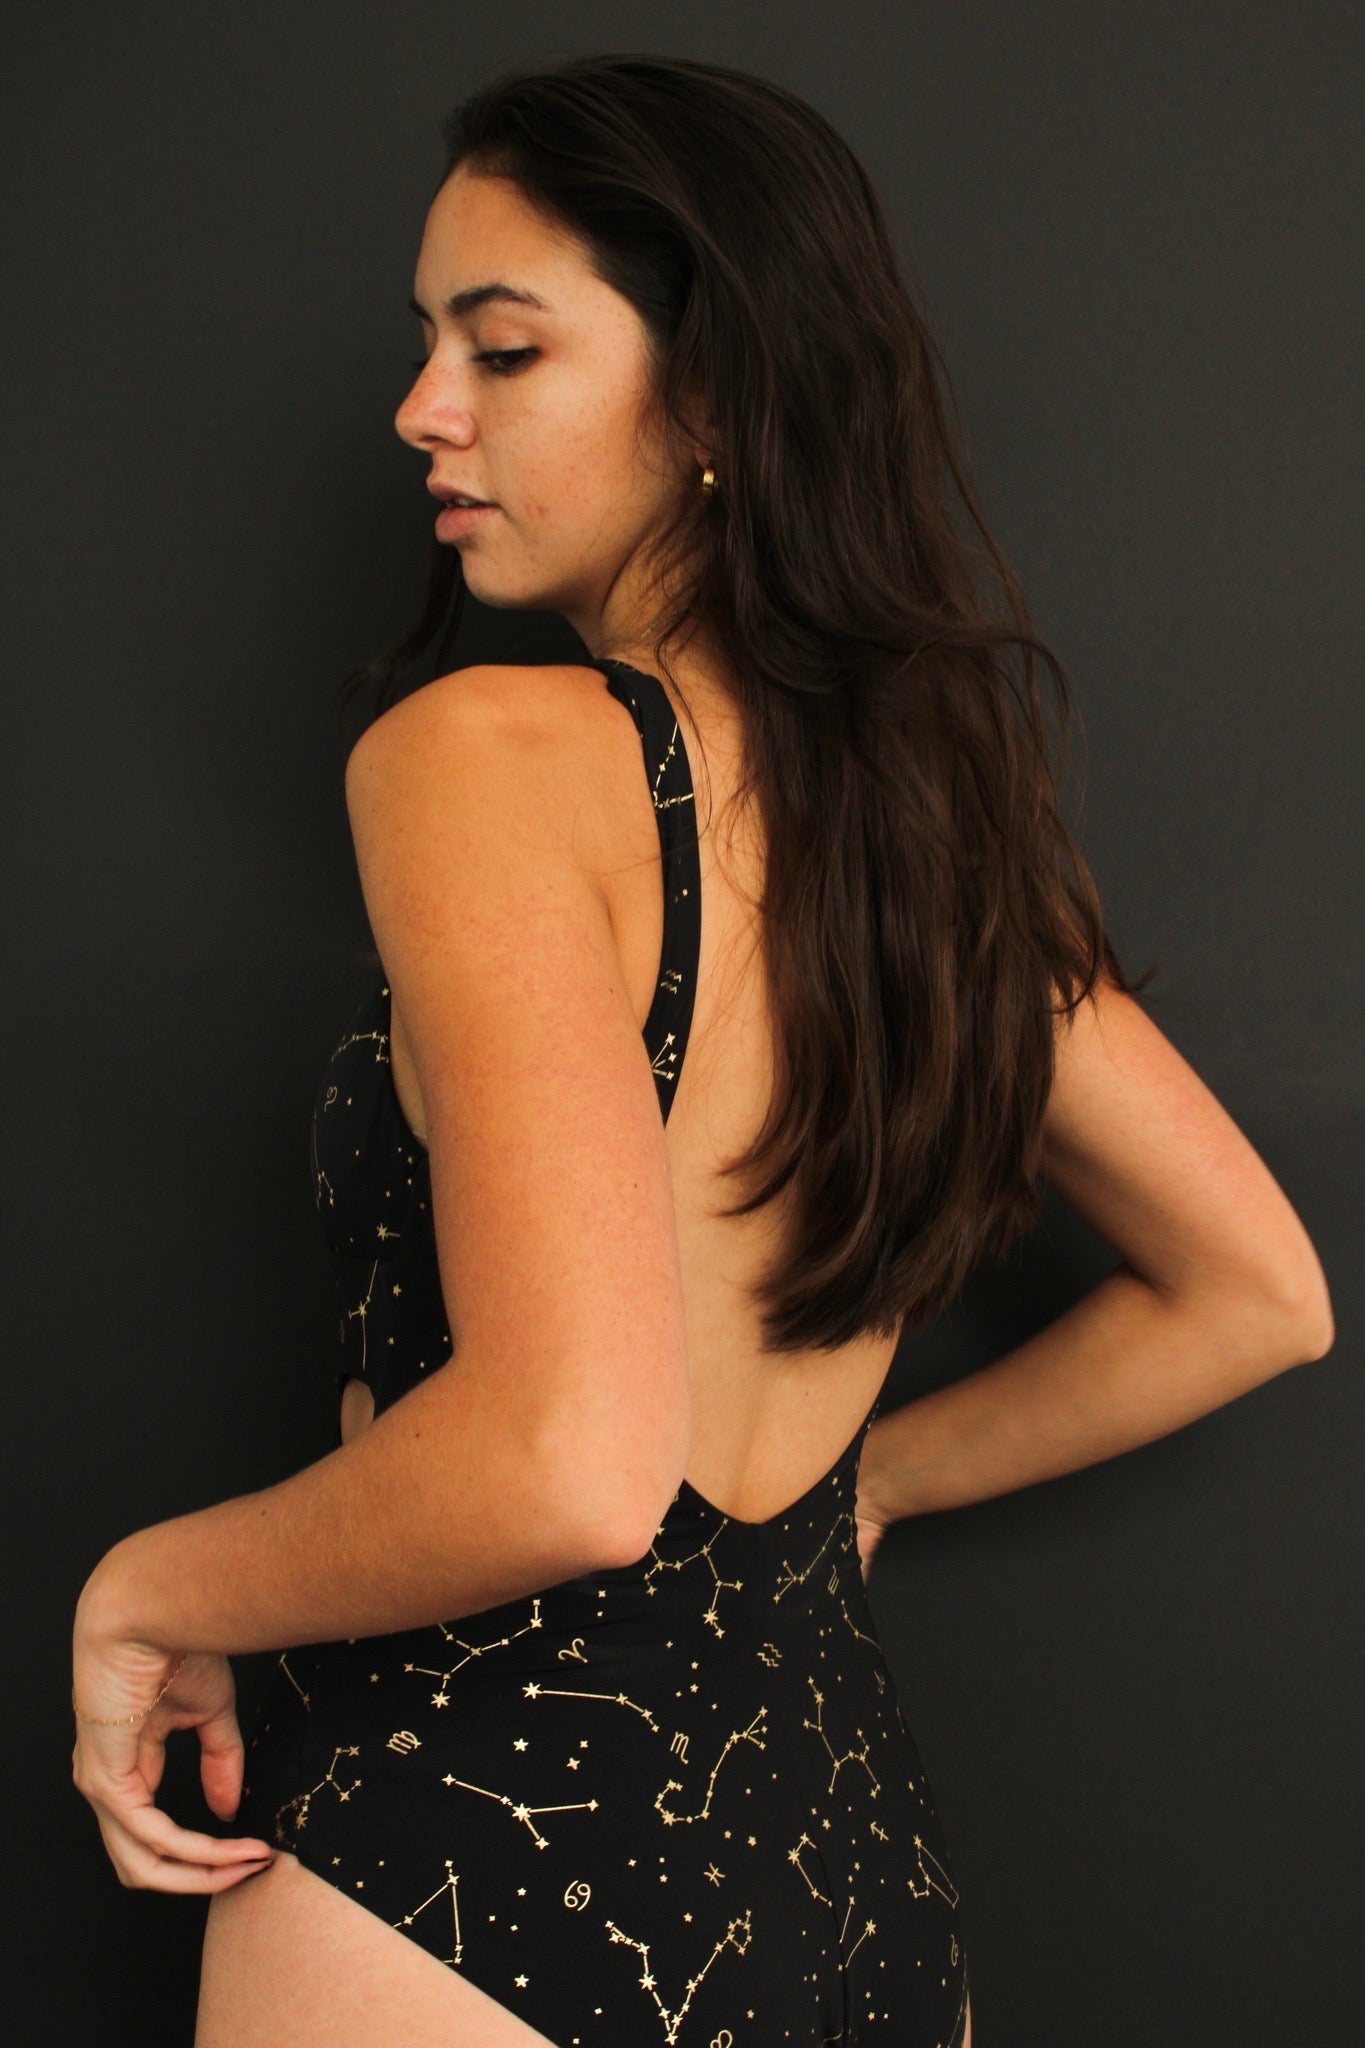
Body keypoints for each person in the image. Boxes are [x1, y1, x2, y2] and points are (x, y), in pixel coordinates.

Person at [71, 54, 1333, 2048]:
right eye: (428, 342)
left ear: (722, 397)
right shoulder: (930, 843)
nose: (422, 407)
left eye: (503, 348)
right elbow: (1257, 1290)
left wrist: (152, 1590)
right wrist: (864, 1488)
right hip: (851, 1869)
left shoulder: (481, 753)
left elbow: (568, 1465)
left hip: (477, 1837)